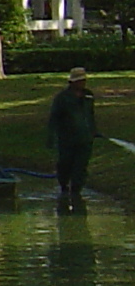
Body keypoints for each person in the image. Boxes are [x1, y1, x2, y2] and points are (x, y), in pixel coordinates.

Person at [48, 67, 98, 209]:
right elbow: (54, 118)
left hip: (85, 140)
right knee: (65, 164)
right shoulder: (62, 98)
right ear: (72, 82)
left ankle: (76, 192)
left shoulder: (88, 96)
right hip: (67, 140)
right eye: (79, 81)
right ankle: (64, 188)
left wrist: (94, 130)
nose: (83, 83)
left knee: (81, 166)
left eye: (84, 80)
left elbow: (91, 115)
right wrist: (51, 137)